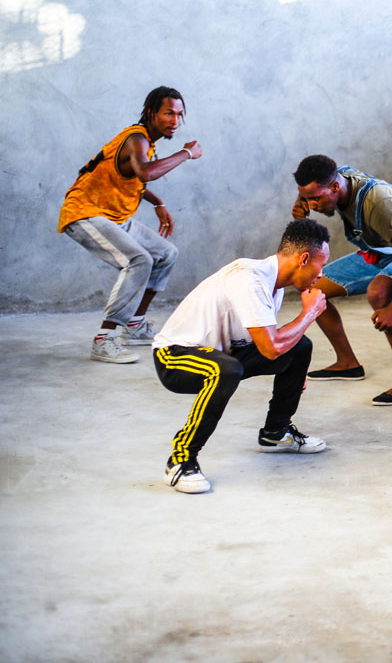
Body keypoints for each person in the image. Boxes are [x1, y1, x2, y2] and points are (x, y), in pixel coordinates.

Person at [154, 219, 332, 494]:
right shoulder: (248, 278)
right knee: (226, 369)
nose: (321, 275)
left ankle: (276, 433)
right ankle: (180, 460)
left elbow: (271, 342)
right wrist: (310, 313)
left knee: (299, 348)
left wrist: (295, 373)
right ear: (304, 259)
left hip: (223, 354)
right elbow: (271, 348)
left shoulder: (275, 286)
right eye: (322, 265)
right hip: (174, 356)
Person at [57, 86, 201, 364]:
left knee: (166, 254)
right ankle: (104, 339)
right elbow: (146, 172)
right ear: (151, 112)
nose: (175, 120)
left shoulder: (146, 142)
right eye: (168, 113)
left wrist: (157, 202)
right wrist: (186, 152)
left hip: (113, 216)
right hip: (83, 213)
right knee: (139, 260)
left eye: (179, 115)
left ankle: (134, 325)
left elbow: (130, 177)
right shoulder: (136, 139)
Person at [292, 155, 392, 406]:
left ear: (335, 187)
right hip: (379, 251)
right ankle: (347, 363)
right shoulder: (337, 176)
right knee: (311, 287)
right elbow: (315, 182)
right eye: (308, 198)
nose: (312, 205)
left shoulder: (378, 202)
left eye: (316, 198)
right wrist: (301, 202)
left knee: (379, 293)